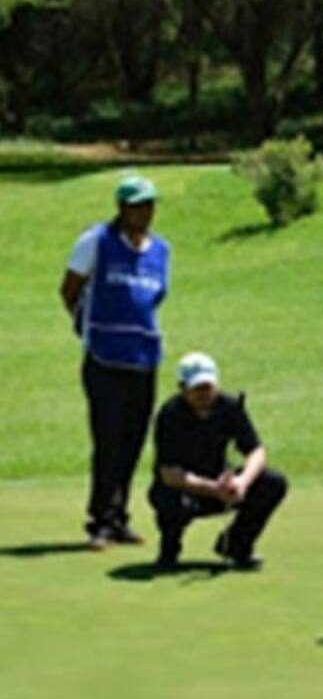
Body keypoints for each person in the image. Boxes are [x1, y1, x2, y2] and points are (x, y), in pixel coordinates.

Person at [59, 175, 170, 550]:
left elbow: (155, 299)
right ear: (122, 208)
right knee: (108, 439)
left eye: (149, 204)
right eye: (137, 205)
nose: (145, 212)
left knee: (133, 442)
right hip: (104, 357)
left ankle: (119, 517)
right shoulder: (97, 241)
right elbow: (70, 290)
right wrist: (87, 329)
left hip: (144, 358)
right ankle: (101, 520)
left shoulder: (161, 251)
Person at [148, 352, 288, 571]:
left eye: (208, 387)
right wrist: (214, 489)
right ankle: (169, 550)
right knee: (170, 500)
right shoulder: (170, 415)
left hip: (222, 485)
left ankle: (236, 546)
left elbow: (256, 452)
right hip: (185, 490)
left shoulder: (229, 407)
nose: (204, 393)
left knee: (273, 482)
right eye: (197, 388)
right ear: (182, 388)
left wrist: (242, 482)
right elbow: (170, 474)